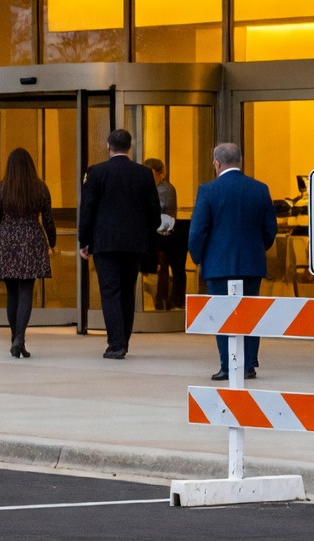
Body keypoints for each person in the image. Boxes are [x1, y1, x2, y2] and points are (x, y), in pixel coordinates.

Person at [187, 140, 277, 381]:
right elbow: (270, 229)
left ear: (216, 163)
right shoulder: (260, 189)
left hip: (218, 266)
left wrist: (199, 258)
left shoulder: (208, 191)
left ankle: (228, 365)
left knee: (223, 314)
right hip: (251, 264)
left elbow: (197, 232)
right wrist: (257, 249)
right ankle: (248, 364)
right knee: (249, 312)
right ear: (240, 161)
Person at [76, 127, 161, 358]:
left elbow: (88, 210)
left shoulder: (95, 172)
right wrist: (149, 232)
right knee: (127, 292)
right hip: (134, 244)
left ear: (108, 146)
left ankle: (116, 343)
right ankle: (124, 340)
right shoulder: (144, 173)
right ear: (129, 147)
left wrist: (85, 240)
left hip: (105, 243)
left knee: (110, 291)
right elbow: (154, 210)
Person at [0, 146, 55, 359]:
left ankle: (14, 338)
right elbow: (48, 219)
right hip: (32, 239)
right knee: (26, 291)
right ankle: (20, 338)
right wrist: (52, 242)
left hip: (7, 241)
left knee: (12, 293)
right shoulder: (40, 188)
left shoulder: (1, 188)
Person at [146, 158, 187, 311]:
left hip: (168, 236)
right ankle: (163, 302)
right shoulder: (153, 188)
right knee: (163, 269)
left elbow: (160, 208)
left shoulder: (165, 189)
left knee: (170, 269)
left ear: (160, 174)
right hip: (160, 235)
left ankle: (172, 302)